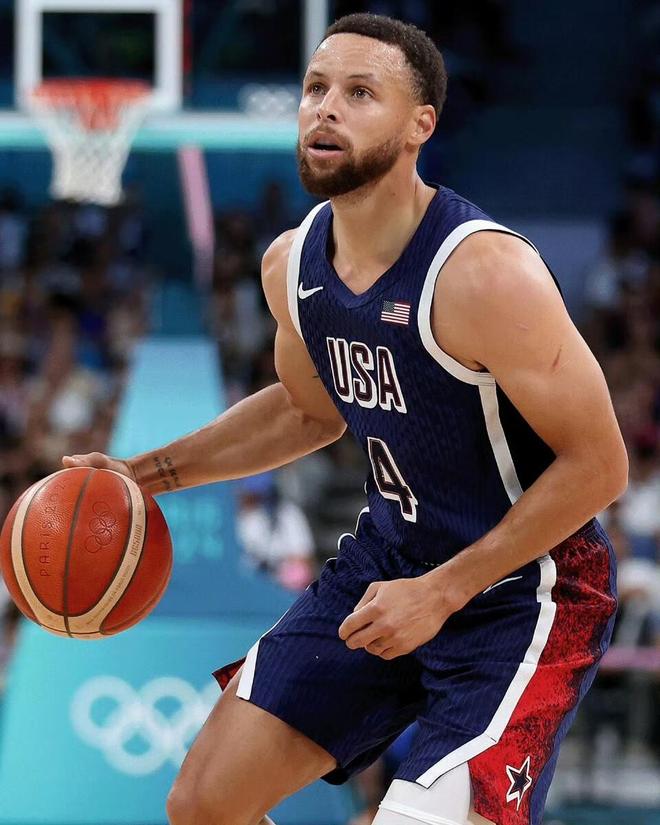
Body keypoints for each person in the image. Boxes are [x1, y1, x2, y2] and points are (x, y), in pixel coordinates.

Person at [62, 13, 628, 825]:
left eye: (361, 93)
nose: (326, 108)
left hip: (524, 591)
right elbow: (307, 410)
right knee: (204, 804)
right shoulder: (292, 265)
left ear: (419, 126)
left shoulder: (485, 274)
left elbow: (600, 465)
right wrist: (136, 475)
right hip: (388, 562)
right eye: (316, 88)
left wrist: (442, 591)